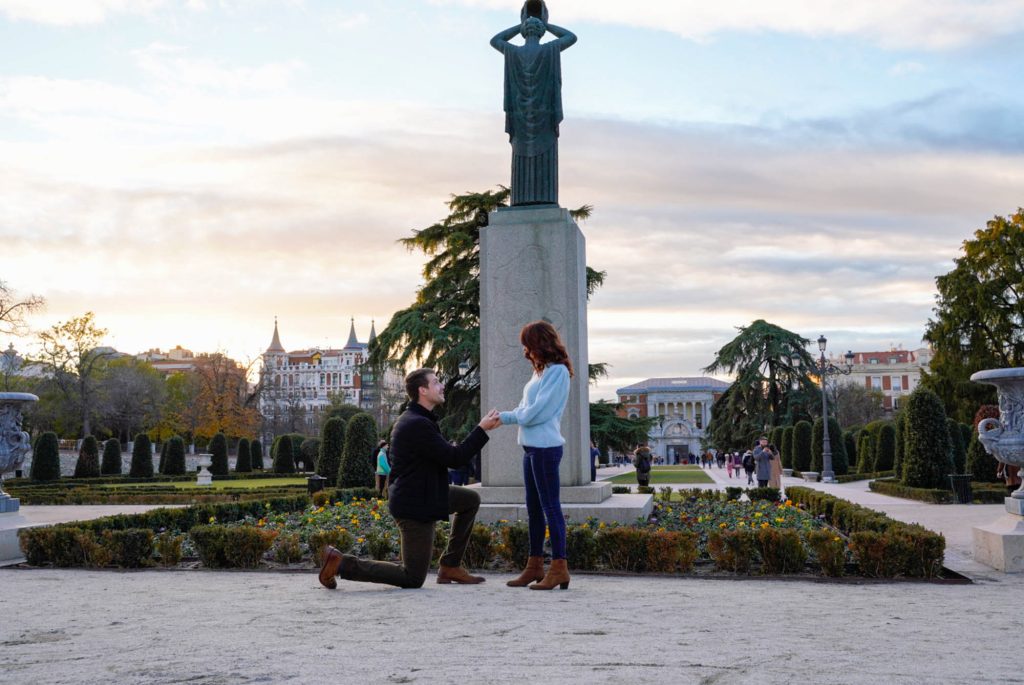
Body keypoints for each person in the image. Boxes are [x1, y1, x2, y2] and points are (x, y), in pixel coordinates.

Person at [319, 368, 501, 590]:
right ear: (422, 390)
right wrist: (481, 429)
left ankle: (450, 565)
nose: (442, 385)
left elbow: (442, 455)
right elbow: (455, 458)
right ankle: (341, 564)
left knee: (469, 500)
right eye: (436, 382)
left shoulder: (417, 419)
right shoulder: (417, 423)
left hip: (424, 494)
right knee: (412, 577)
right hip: (414, 505)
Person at [498, 320, 574, 590]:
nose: (526, 351)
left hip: (545, 448)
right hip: (530, 447)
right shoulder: (539, 373)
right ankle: (534, 566)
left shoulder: (558, 373)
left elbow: (536, 412)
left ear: (540, 343)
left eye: (528, 345)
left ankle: (559, 568)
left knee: (550, 507)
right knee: (534, 510)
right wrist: (508, 415)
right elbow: (524, 406)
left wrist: (505, 418)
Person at [490, 3, 577, 206]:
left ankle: (522, 200)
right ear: (540, 32)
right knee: (544, 159)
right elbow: (571, 37)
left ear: (523, 32)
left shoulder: (513, 53)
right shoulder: (550, 49)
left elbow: (495, 40)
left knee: (521, 159)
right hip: (545, 120)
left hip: (521, 121)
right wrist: (547, 25)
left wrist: (520, 25)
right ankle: (543, 199)